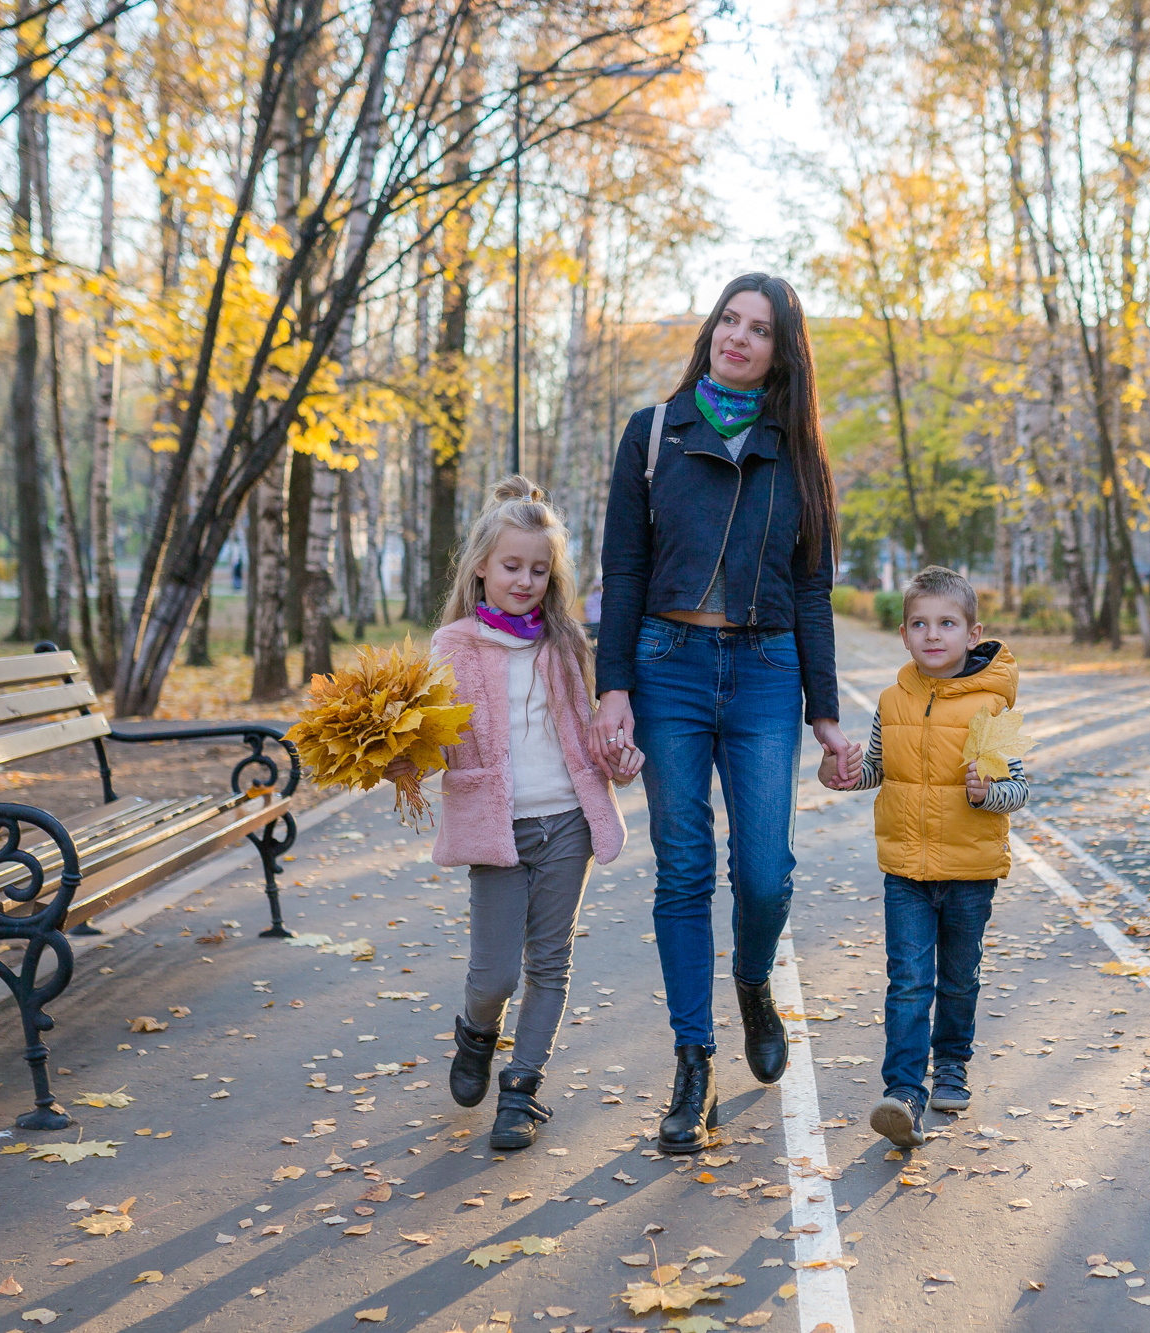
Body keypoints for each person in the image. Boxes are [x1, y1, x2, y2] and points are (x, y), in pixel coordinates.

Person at [594, 273, 861, 1154]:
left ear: (783, 354)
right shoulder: (653, 435)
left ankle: (753, 981)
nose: (736, 338)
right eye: (728, 321)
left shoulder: (800, 454)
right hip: (666, 667)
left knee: (766, 876)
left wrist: (824, 711)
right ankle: (693, 1060)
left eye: (758, 330)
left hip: (764, 672)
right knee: (682, 873)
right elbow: (623, 572)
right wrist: (614, 687)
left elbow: (813, 587)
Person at [430, 476, 643, 1151]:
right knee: (495, 973)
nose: (524, 580)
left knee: (549, 963)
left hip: (567, 824)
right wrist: (388, 749)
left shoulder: (565, 641)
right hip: (498, 827)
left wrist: (619, 759)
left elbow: (588, 736)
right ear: (483, 566)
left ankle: (521, 1090)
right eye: (512, 566)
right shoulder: (455, 645)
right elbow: (429, 733)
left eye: (538, 569)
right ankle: (476, 1031)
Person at [818, 565, 1029, 1148]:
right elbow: (882, 769)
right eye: (920, 624)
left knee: (959, 979)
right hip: (906, 868)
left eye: (946, 623)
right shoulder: (894, 699)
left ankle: (953, 1066)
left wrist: (990, 794)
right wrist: (845, 774)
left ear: (972, 632)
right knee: (909, 980)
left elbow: (1020, 788)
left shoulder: (992, 707)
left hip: (971, 871)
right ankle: (904, 1092)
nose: (933, 635)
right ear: (904, 635)